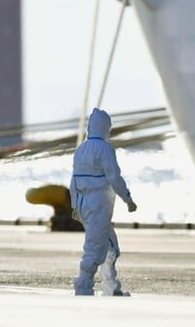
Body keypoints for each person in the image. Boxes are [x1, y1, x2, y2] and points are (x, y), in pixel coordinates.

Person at [70, 107, 137, 296]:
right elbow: (114, 177)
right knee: (96, 246)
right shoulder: (105, 148)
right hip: (98, 203)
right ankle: (83, 284)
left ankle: (111, 285)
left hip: (84, 202)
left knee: (110, 246)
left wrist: (75, 204)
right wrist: (128, 199)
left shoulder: (81, 149)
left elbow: (74, 180)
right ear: (103, 127)